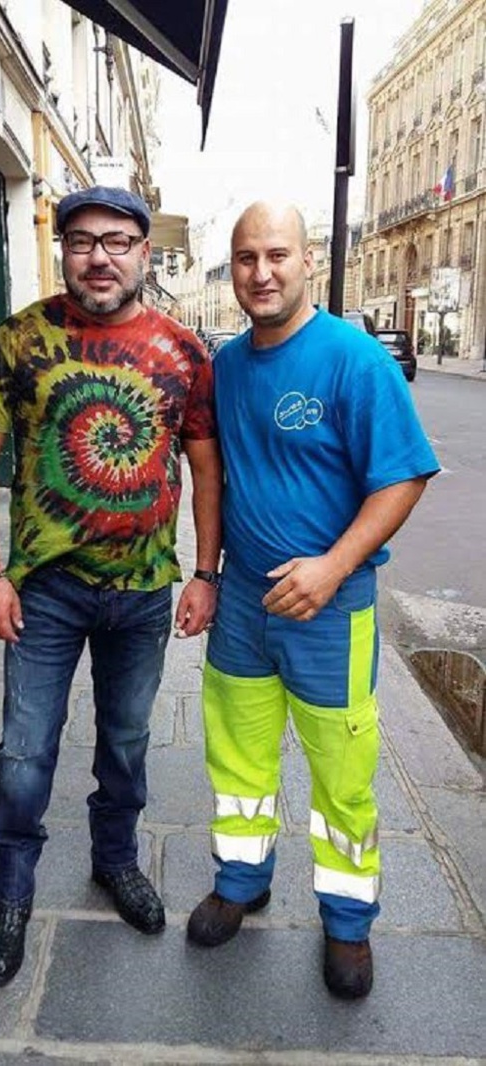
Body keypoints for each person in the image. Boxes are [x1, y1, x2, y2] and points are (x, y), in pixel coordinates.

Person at [0, 185, 222, 988]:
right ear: (63, 249)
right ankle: (10, 894)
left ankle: (115, 863)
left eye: (116, 240)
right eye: (80, 241)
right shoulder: (18, 339)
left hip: (142, 593)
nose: (98, 256)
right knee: (22, 751)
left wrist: (205, 572)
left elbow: (206, 469)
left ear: (145, 253)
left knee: (128, 744)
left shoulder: (184, 350)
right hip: (44, 592)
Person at [187, 202, 439, 1000]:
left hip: (331, 611)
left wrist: (331, 567)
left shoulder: (353, 360)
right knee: (238, 760)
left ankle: (346, 922)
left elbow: (402, 476)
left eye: (277, 255)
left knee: (340, 776)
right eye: (244, 258)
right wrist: (206, 572)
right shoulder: (225, 366)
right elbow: (217, 475)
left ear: (307, 262)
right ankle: (241, 878)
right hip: (242, 608)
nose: (260, 273)